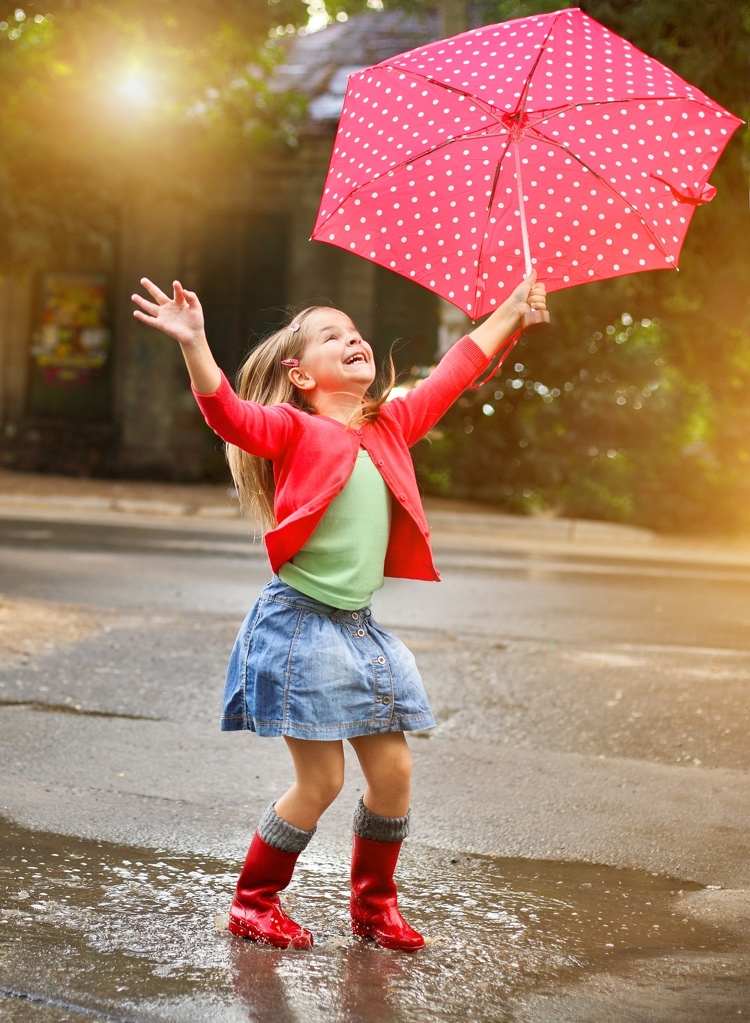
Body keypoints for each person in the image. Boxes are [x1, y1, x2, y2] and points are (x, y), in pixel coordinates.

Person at [130, 270, 547, 953]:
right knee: (320, 780)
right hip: (299, 624)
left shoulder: (392, 425)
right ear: (299, 374)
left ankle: (374, 907)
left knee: (395, 774)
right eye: (332, 335)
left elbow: (456, 369)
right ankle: (253, 903)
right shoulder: (291, 428)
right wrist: (193, 343)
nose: (353, 337)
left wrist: (512, 311)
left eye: (355, 331)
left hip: (358, 629)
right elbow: (228, 414)